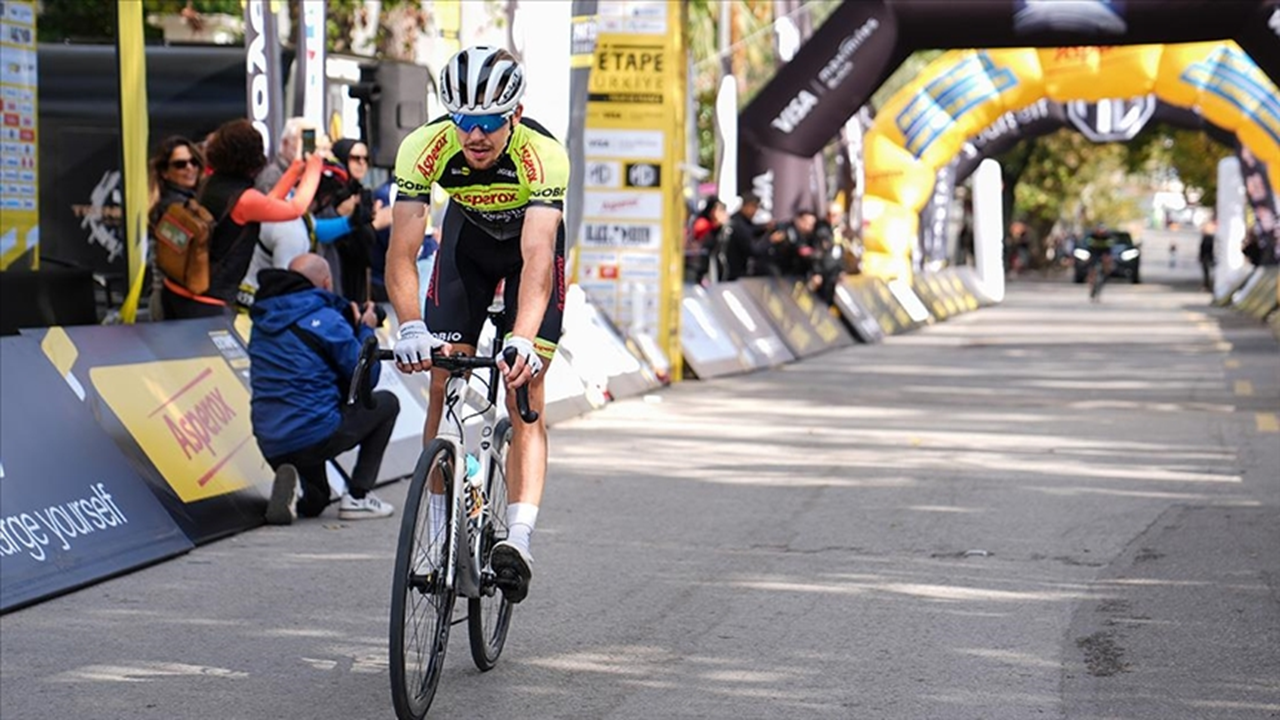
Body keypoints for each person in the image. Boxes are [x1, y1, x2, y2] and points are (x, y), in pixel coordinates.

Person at [386, 46, 569, 604]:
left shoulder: (543, 155)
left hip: (526, 256)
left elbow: (538, 256)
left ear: (514, 114)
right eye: (465, 122)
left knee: (524, 389)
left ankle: (517, 538)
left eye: (489, 123)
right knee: (442, 379)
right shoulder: (425, 147)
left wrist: (521, 338)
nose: (476, 136)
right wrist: (411, 326)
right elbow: (401, 251)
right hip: (467, 247)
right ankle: (442, 531)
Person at [251, 252, 400, 524]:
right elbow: (366, 378)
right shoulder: (325, 318)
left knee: (317, 501)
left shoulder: (262, 319)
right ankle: (357, 496)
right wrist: (365, 330)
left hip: (271, 440)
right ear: (327, 283)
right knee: (388, 403)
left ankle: (294, 491)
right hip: (314, 431)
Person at [161, 118, 324, 319]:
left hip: (177, 288)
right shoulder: (244, 199)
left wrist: (296, 169)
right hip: (206, 301)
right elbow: (295, 208)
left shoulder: (210, 183)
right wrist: (315, 169)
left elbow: (267, 203)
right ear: (254, 157)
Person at [147, 136, 205, 320]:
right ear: (165, 172)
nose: (190, 168)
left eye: (194, 162)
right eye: (180, 164)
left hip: (177, 296)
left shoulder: (190, 200)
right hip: (172, 298)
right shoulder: (171, 207)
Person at [725, 193, 769, 281]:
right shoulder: (738, 224)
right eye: (753, 207)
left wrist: (764, 227)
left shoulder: (741, 221)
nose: (755, 211)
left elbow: (751, 229)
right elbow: (753, 250)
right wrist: (770, 240)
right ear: (745, 206)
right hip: (735, 272)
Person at [1199, 219, 1216, 292]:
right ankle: (1207, 285)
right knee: (1207, 273)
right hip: (1207, 257)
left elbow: (1205, 249)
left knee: (1207, 273)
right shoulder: (1209, 237)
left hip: (1207, 257)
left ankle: (1207, 286)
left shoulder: (1208, 238)